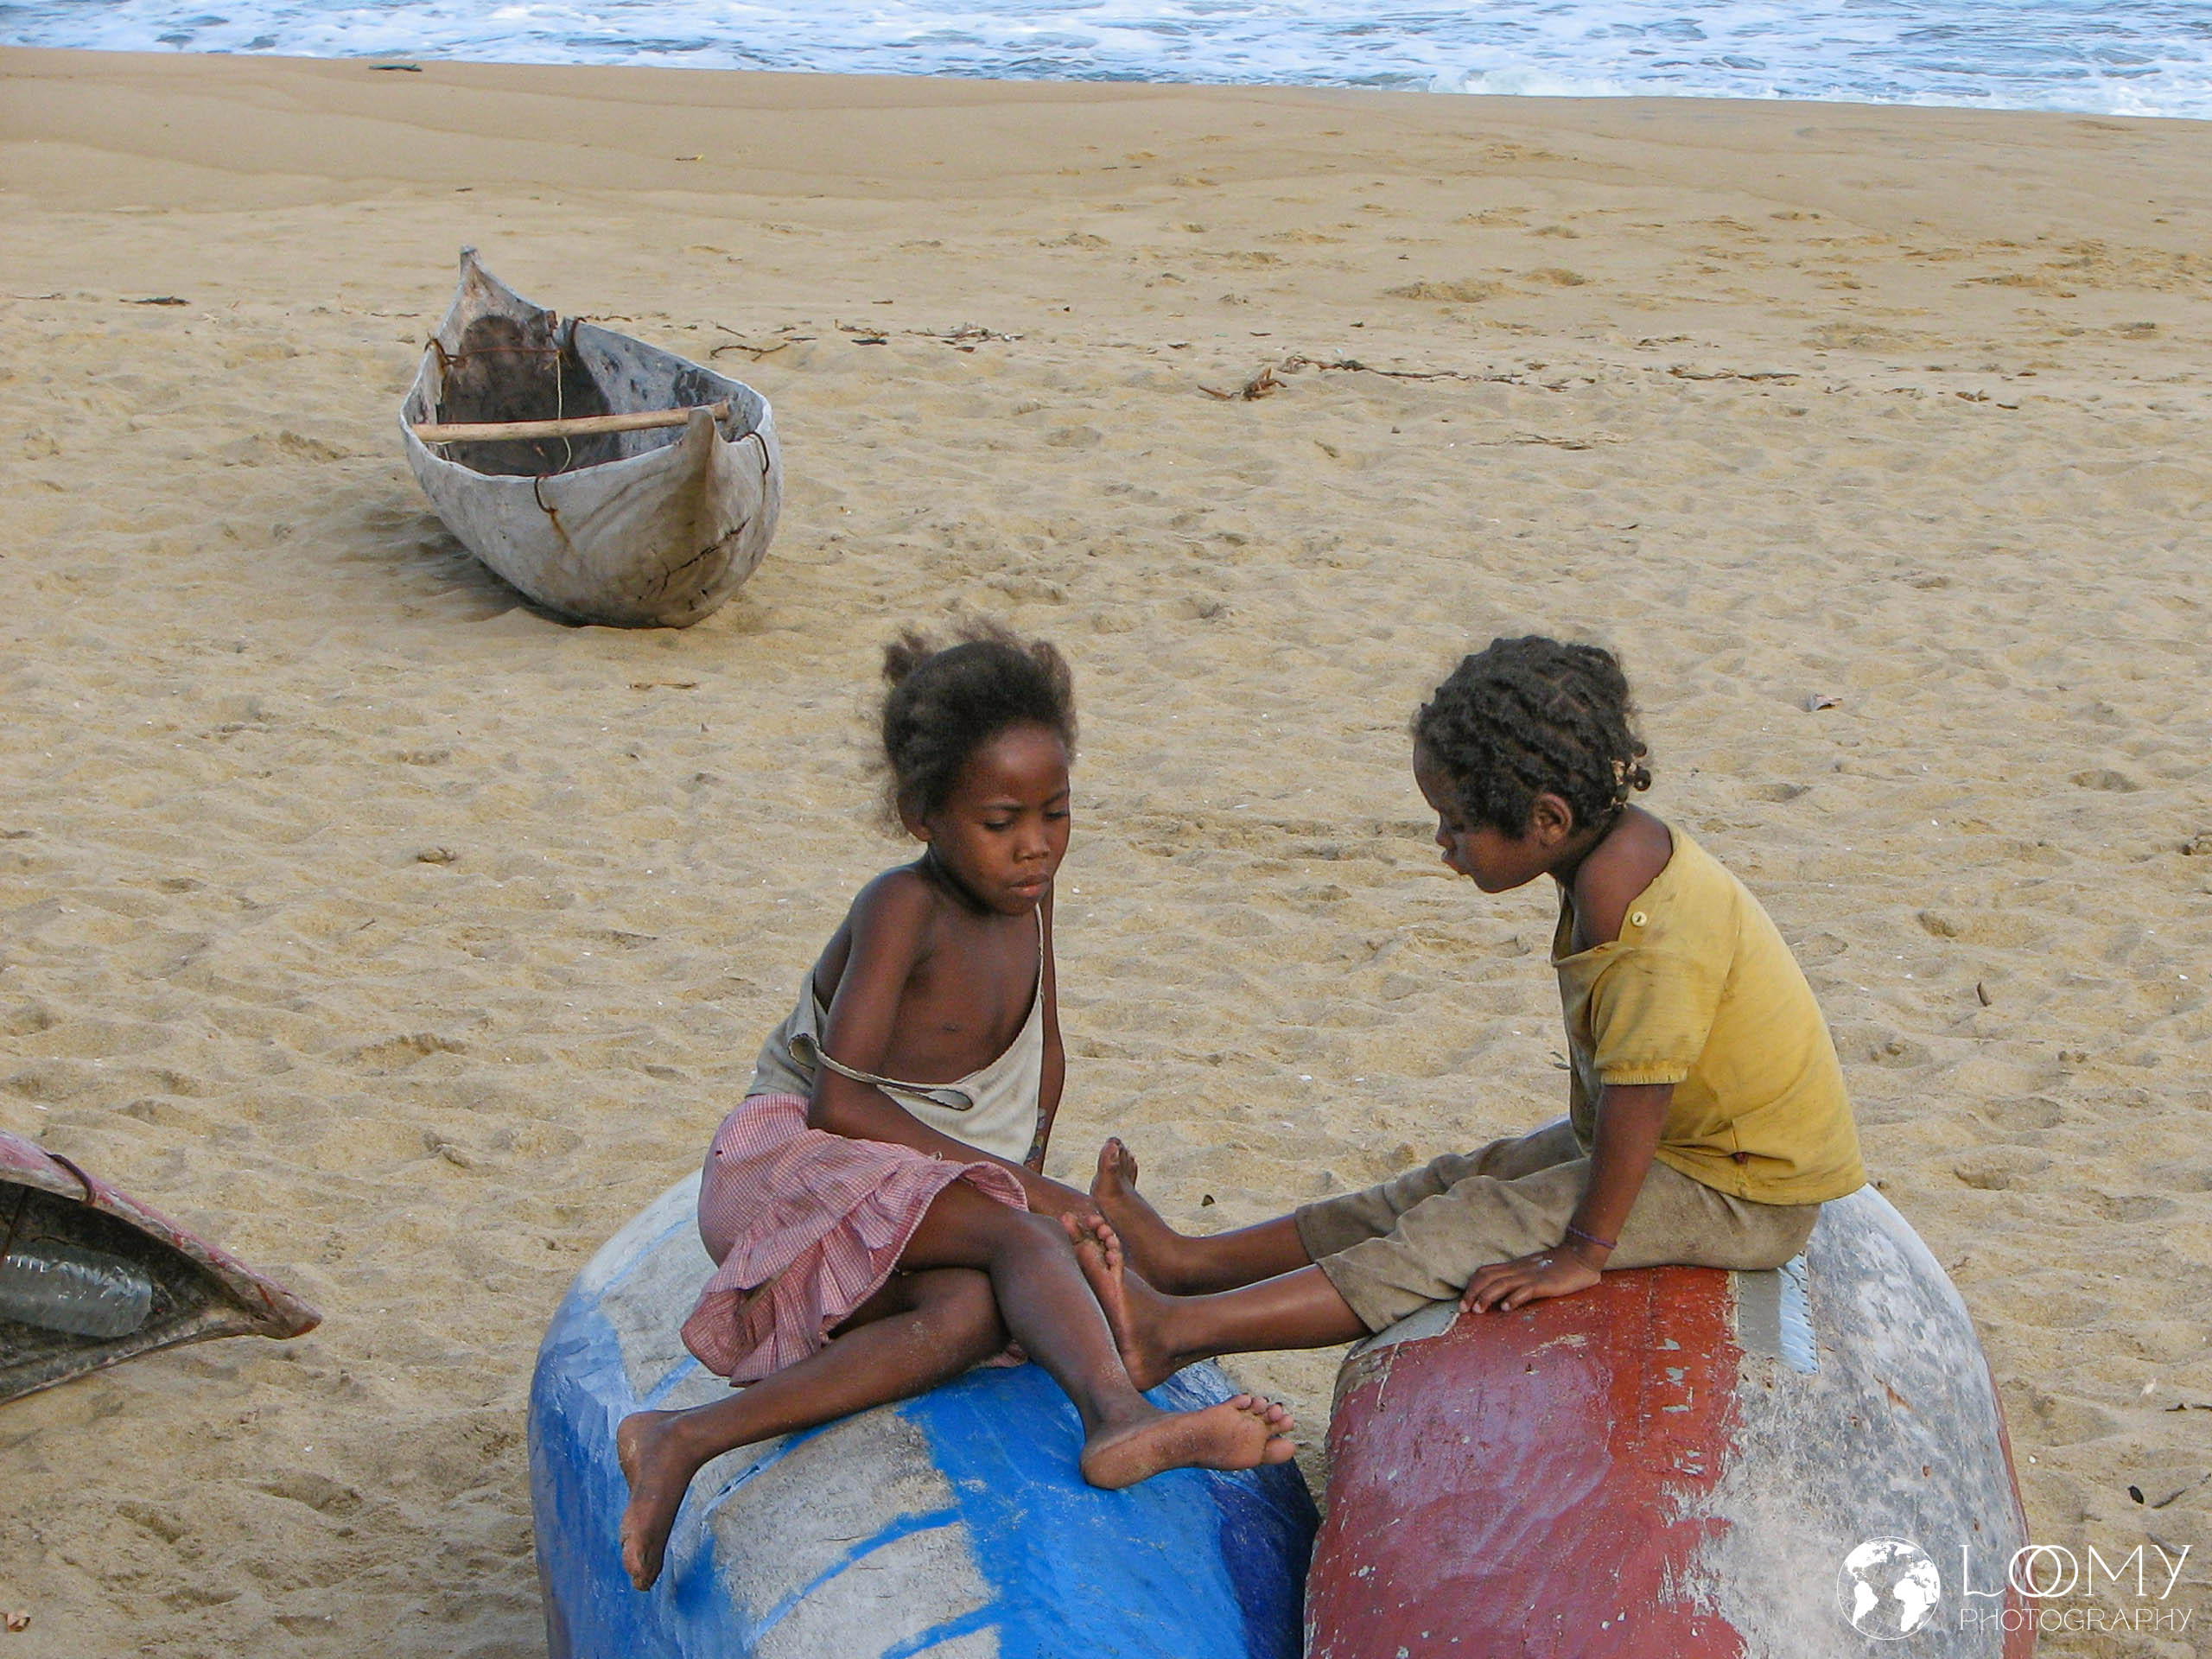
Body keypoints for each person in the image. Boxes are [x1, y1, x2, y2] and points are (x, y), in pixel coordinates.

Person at [615, 624, 1293, 1592]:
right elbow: (839, 1100)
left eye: (1057, 813)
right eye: (1002, 820)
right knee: (1025, 1243)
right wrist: (1029, 1198)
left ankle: (680, 1437)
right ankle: (1117, 1416)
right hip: (790, 1168)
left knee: (976, 1306)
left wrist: (1036, 1180)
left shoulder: (1032, 898)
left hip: (905, 1189)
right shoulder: (903, 909)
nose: (1036, 846)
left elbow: (1040, 1061)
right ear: (922, 815)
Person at [1070, 634, 1868, 1389]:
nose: (1443, 843)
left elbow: (1639, 1096)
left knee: (1471, 1223)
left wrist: (1583, 1252)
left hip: (1741, 1192)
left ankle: (1174, 1332)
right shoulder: (1607, 855)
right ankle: (1188, 1263)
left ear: (1547, 820)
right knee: (1455, 1182)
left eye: (1457, 823)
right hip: (1688, 1148)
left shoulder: (1647, 926)